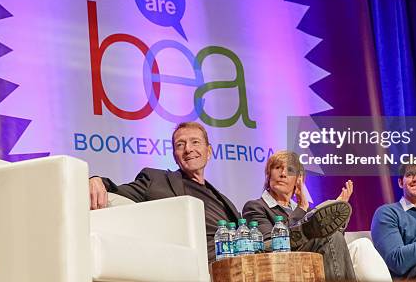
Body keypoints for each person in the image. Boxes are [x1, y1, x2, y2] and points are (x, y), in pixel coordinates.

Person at [89, 121, 240, 263]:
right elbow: (116, 191)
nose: (188, 149)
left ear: (208, 151)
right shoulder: (156, 181)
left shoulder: (223, 200)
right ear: (175, 155)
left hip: (238, 262)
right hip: (197, 262)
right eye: (180, 145)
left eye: (195, 142)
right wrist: (96, 180)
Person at [243, 151, 392, 282]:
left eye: (289, 170)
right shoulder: (255, 207)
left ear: (299, 180)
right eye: (277, 168)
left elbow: (335, 243)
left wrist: (336, 218)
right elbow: (268, 245)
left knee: (362, 245)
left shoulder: (309, 211)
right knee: (327, 235)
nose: (283, 174)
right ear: (268, 174)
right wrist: (301, 209)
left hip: (317, 258)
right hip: (287, 264)